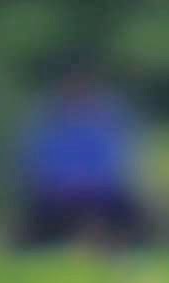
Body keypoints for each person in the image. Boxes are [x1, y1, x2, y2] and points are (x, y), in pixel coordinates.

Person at [13, 73, 151, 247]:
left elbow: (113, 168)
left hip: (100, 196)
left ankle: (112, 239)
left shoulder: (106, 125)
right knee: (37, 218)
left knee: (132, 214)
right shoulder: (50, 127)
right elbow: (41, 167)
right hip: (59, 196)